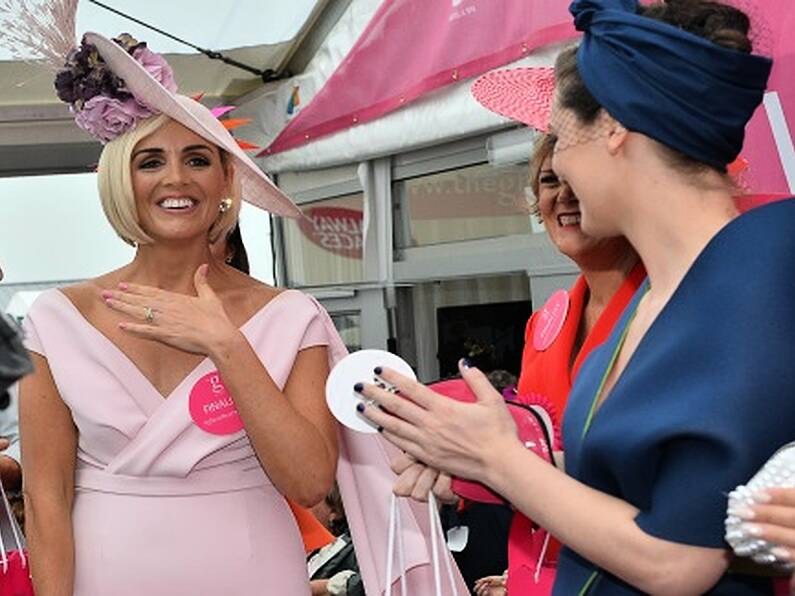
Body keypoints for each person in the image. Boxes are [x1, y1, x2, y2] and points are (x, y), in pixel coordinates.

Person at [359, 0, 795, 593]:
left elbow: (679, 561)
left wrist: (499, 460)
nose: (557, 163)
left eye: (560, 138)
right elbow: (637, 489)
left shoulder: (761, 268)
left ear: (613, 127)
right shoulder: (656, 296)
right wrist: (472, 456)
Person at [19, 32, 339, 595]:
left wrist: (228, 346)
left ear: (224, 181)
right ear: (122, 179)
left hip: (253, 570)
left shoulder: (293, 316)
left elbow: (310, 481)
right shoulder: (57, 320)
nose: (176, 179)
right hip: (107, 576)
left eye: (197, 159)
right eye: (150, 161)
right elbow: (46, 500)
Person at [393, 132, 643, 594]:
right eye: (549, 180)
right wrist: (464, 474)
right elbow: (534, 462)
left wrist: (493, 462)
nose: (562, 196)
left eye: (577, 178)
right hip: (540, 571)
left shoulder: (666, 305)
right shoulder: (545, 325)